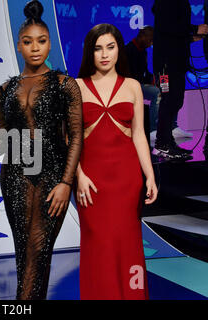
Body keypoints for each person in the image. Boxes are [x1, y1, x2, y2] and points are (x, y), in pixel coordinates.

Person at [0, 0, 83, 300]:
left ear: (50, 43)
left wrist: (66, 183)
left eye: (41, 41)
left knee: (38, 249)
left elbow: (77, 136)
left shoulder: (66, 85)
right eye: (28, 42)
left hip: (52, 177)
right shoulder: (6, 89)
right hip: (15, 178)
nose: (35, 48)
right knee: (24, 254)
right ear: (18, 46)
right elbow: (4, 139)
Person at [75, 23, 158, 300]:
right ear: (90, 52)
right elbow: (68, 140)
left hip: (127, 179)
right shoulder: (75, 87)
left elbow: (139, 136)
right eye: (98, 48)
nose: (104, 54)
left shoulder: (133, 86)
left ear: (118, 49)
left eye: (110, 47)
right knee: (98, 245)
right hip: (92, 183)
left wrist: (150, 176)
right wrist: (79, 175)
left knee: (128, 245)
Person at [152, 0, 208, 159]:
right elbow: (166, 26)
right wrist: (194, 28)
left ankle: (167, 141)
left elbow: (171, 34)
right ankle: (162, 144)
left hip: (175, 62)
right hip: (166, 64)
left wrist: (191, 38)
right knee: (169, 100)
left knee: (176, 100)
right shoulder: (166, 3)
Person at [124, 26, 161, 140]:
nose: (151, 44)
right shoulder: (128, 50)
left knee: (165, 89)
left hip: (138, 84)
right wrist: (148, 84)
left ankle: (172, 127)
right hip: (127, 86)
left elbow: (144, 73)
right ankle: (152, 130)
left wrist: (154, 80)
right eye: (150, 40)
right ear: (143, 36)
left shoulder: (142, 51)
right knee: (156, 93)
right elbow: (129, 76)